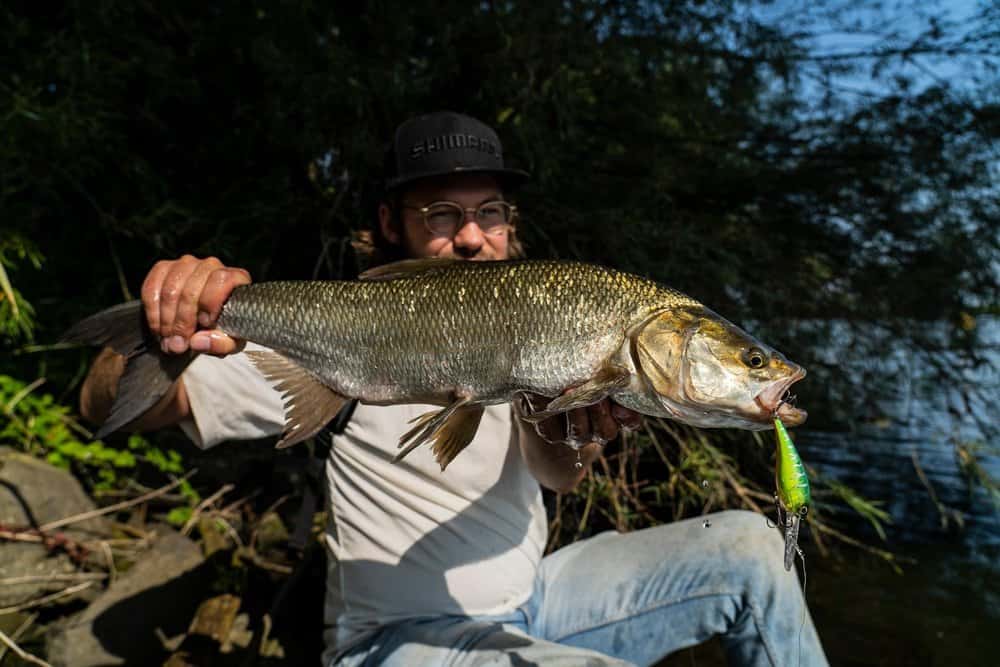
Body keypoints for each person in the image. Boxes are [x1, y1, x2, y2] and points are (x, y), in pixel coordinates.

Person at [80, 111, 828, 666]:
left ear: (510, 223)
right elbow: (105, 404)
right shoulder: (335, 329)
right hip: (398, 642)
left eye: (489, 212)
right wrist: (166, 327)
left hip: (535, 598)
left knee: (751, 547)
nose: (470, 236)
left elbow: (558, 475)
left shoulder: (549, 319)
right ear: (389, 223)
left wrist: (582, 432)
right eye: (442, 213)